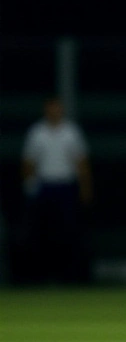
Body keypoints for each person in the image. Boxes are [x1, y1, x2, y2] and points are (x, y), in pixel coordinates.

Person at [19, 95, 92, 284]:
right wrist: (30, 186)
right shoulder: (37, 132)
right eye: (51, 108)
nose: (54, 112)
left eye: (57, 108)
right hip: (44, 186)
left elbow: (81, 162)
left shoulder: (71, 132)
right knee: (41, 233)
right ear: (46, 110)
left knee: (68, 233)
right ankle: (40, 276)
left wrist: (85, 188)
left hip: (65, 187)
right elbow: (28, 162)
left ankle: (69, 276)